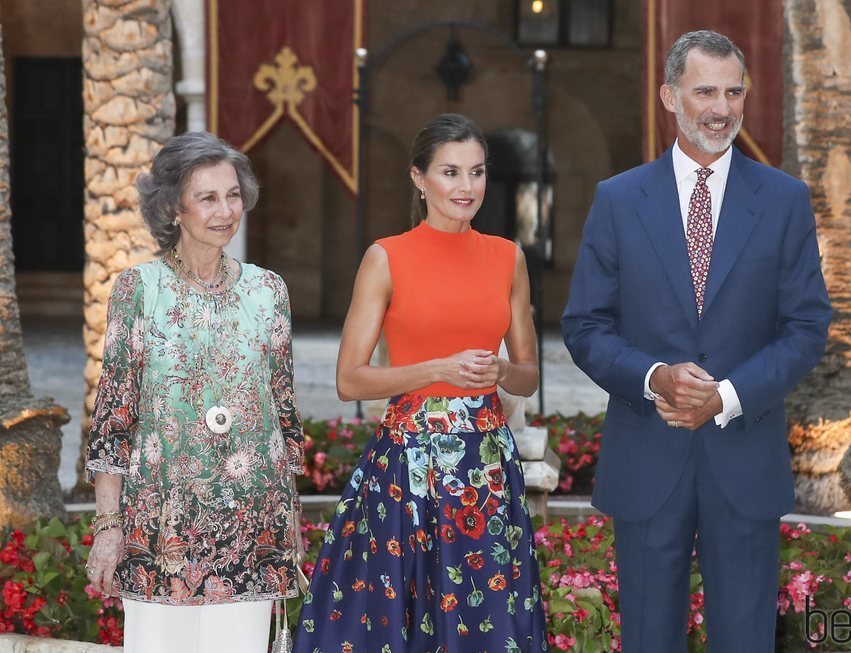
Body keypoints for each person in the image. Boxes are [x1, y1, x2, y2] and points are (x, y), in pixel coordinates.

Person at [562, 30, 832, 651]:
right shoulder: (619, 199)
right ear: (669, 95)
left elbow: (806, 327)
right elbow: (585, 325)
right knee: (649, 638)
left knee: (745, 636)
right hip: (647, 458)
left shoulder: (785, 200)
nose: (721, 107)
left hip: (745, 457)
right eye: (705, 90)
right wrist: (655, 377)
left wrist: (727, 395)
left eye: (734, 91)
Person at [294, 113, 548, 652]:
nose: (466, 187)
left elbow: (528, 377)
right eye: (450, 172)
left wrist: (500, 371)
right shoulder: (386, 258)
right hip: (406, 466)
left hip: (486, 469)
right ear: (418, 178)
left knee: (485, 617)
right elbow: (349, 380)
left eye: (477, 173)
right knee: (395, 617)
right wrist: (438, 369)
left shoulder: (508, 257)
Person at [84, 131, 304, 653]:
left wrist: (289, 516)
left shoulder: (268, 290)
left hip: (252, 525)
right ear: (173, 207)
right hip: (162, 530)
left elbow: (285, 414)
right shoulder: (139, 289)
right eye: (207, 197)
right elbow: (114, 417)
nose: (226, 210)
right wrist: (110, 524)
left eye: (233, 195)